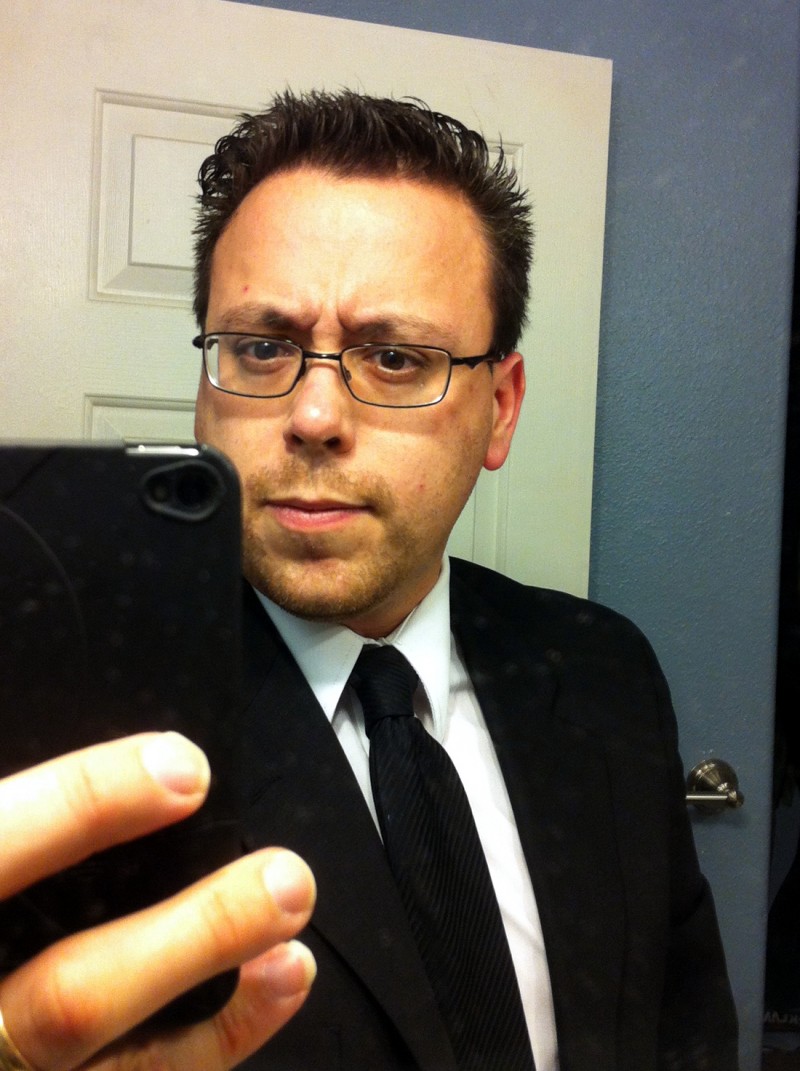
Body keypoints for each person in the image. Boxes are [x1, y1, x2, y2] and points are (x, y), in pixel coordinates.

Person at [0, 89, 738, 1071]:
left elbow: (684, 1029)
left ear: (500, 408)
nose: (312, 417)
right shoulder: (69, 723)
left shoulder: (605, 671)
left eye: (394, 357)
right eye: (261, 347)